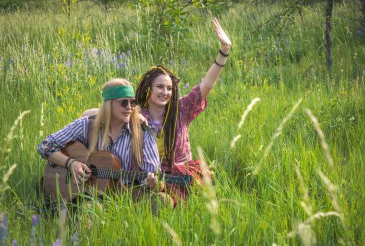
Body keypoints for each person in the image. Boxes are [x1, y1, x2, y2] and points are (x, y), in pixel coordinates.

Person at [134, 17, 232, 206]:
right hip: (152, 177)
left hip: (183, 175)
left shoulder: (181, 109)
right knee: (159, 202)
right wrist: (133, 116)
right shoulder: (138, 115)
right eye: (160, 87)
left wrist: (224, 51)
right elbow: (100, 113)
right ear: (148, 88)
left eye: (169, 88)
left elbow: (207, 85)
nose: (165, 92)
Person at [38, 78, 163, 207]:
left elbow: (153, 176)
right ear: (109, 103)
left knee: (163, 201)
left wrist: (153, 184)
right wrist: (71, 163)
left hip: (125, 192)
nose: (129, 107)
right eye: (124, 102)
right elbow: (45, 146)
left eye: (133, 102)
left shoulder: (143, 133)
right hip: (89, 193)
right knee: (91, 209)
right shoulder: (86, 125)